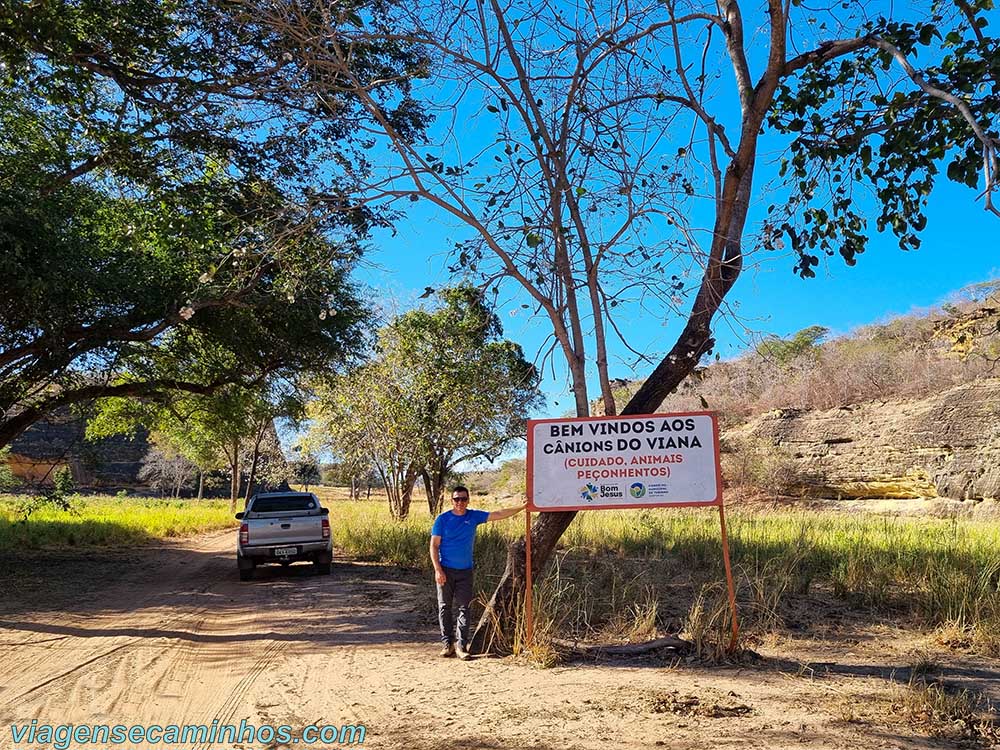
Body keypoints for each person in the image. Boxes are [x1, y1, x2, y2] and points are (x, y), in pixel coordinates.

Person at [430, 486, 526, 660]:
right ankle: (447, 644)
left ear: (468, 500)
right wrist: (438, 569)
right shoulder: (442, 520)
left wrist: (521, 507)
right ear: (451, 501)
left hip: (465, 571)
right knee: (444, 607)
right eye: (456, 499)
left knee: (464, 608)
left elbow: (498, 514)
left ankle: (461, 646)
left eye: (463, 499)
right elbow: (434, 546)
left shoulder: (473, 516)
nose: (460, 502)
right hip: (446, 570)